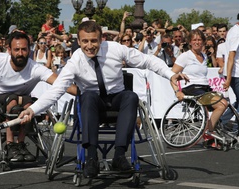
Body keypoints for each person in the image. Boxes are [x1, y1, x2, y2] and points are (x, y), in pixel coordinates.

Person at [18, 21, 187, 178]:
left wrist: (171, 75)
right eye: (85, 41)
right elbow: (57, 90)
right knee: (88, 95)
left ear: (101, 39)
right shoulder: (75, 60)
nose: (89, 46)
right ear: (79, 41)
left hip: (117, 98)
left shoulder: (116, 49)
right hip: (93, 103)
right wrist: (32, 109)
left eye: (93, 41)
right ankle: (91, 158)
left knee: (131, 96)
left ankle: (119, 156)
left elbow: (148, 60)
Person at [0, 30, 76, 162]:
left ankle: (20, 144)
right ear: (9, 50)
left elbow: (61, 83)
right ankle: (10, 145)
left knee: (29, 105)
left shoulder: (35, 68)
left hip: (22, 99)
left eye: (24, 49)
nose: (20, 53)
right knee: (13, 102)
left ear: (29, 50)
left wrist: (85, 92)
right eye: (16, 49)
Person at [170, 29, 228, 147]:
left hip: (205, 88)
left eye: (199, 40)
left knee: (224, 103)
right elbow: (172, 76)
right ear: (190, 42)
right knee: (219, 105)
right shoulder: (185, 56)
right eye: (194, 40)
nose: (197, 42)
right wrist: (177, 91)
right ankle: (208, 135)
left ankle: (208, 131)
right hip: (191, 88)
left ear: (203, 42)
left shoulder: (204, 56)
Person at [221, 19, 239, 133]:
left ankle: (221, 121)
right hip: (235, 74)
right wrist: (228, 79)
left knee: (238, 101)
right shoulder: (236, 33)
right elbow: (231, 57)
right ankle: (235, 130)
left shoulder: (233, 30)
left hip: (234, 73)